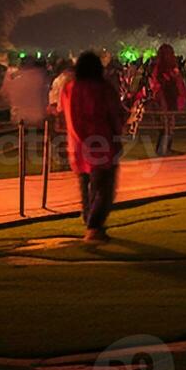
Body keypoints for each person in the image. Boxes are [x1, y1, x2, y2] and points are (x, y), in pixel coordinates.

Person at [63, 52, 125, 244]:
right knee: (103, 189)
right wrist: (117, 136)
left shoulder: (69, 89)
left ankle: (91, 224)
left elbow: (63, 113)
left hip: (77, 145)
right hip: (102, 144)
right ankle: (94, 227)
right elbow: (115, 114)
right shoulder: (103, 89)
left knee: (86, 186)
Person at [143, 44, 186, 156]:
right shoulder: (160, 68)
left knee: (170, 125)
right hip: (164, 100)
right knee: (166, 126)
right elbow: (158, 85)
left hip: (170, 98)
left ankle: (166, 148)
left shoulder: (169, 68)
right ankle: (162, 149)